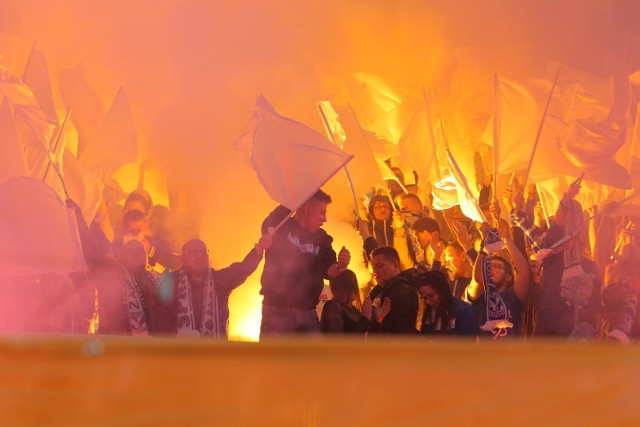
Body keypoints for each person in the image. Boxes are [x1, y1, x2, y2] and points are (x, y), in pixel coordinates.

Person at [260, 190, 351, 336]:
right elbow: (267, 226)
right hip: (276, 313)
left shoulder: (323, 238)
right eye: (322, 212)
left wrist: (341, 265)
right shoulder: (281, 226)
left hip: (308, 313)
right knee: (275, 359)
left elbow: (329, 270)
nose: (325, 219)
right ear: (308, 209)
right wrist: (304, 189)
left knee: (314, 359)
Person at [153, 236, 271, 338]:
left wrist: (259, 249)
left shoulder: (219, 279)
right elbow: (160, 317)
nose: (200, 256)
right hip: (179, 354)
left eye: (203, 252)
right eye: (193, 252)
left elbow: (242, 269)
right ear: (182, 259)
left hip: (215, 354)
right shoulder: (171, 281)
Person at [465, 220, 530, 339]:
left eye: (496, 266)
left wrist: (507, 239)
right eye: (489, 266)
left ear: (508, 276)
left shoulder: (512, 297)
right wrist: (483, 247)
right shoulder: (479, 297)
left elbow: (524, 273)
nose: (490, 269)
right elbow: (477, 281)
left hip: (511, 356)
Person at [368, 246, 419, 334]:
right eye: (373, 268)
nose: (375, 271)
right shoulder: (379, 290)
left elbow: (402, 330)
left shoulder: (404, 292)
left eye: (379, 266)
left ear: (395, 265)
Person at [415, 270, 479, 336]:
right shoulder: (428, 313)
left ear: (442, 290)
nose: (428, 301)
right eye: (424, 298)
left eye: (431, 296)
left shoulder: (464, 311)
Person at [320, 269, 372, 333]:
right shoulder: (332, 307)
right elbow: (339, 340)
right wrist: (365, 319)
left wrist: (377, 319)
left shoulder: (353, 309)